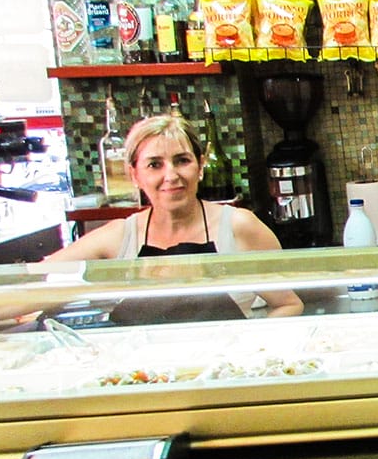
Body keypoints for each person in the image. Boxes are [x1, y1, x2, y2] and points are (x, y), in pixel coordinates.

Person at [46, 115, 303, 320]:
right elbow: (37, 280)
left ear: (200, 166)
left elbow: (289, 304)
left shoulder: (239, 227)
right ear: (134, 175)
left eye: (182, 161)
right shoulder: (118, 236)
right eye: (154, 165)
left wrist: (247, 349)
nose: (171, 176)